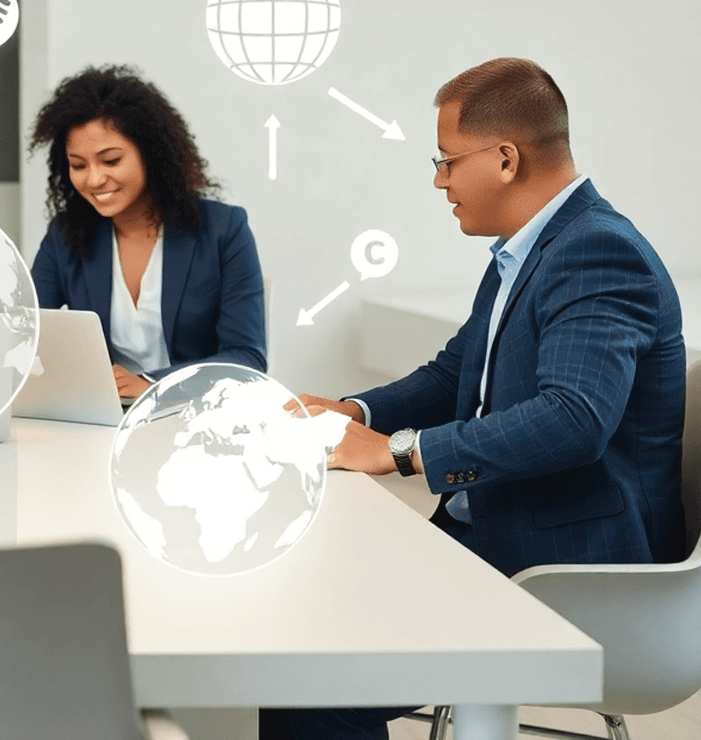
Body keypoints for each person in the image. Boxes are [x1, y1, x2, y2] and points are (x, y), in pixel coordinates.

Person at [264, 58, 687, 740]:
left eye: (447, 161)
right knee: (291, 622)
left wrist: (399, 452)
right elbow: (453, 374)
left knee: (310, 682)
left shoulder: (599, 254)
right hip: (491, 533)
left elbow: (574, 420)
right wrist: (355, 414)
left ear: (506, 159)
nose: (439, 181)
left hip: (567, 567)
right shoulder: (524, 250)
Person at [28, 65, 267, 399]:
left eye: (110, 160)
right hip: (107, 413)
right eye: (78, 165)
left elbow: (247, 358)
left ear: (150, 153)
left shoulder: (224, 230)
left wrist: (154, 383)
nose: (94, 179)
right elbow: (28, 334)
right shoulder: (65, 236)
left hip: (196, 413)